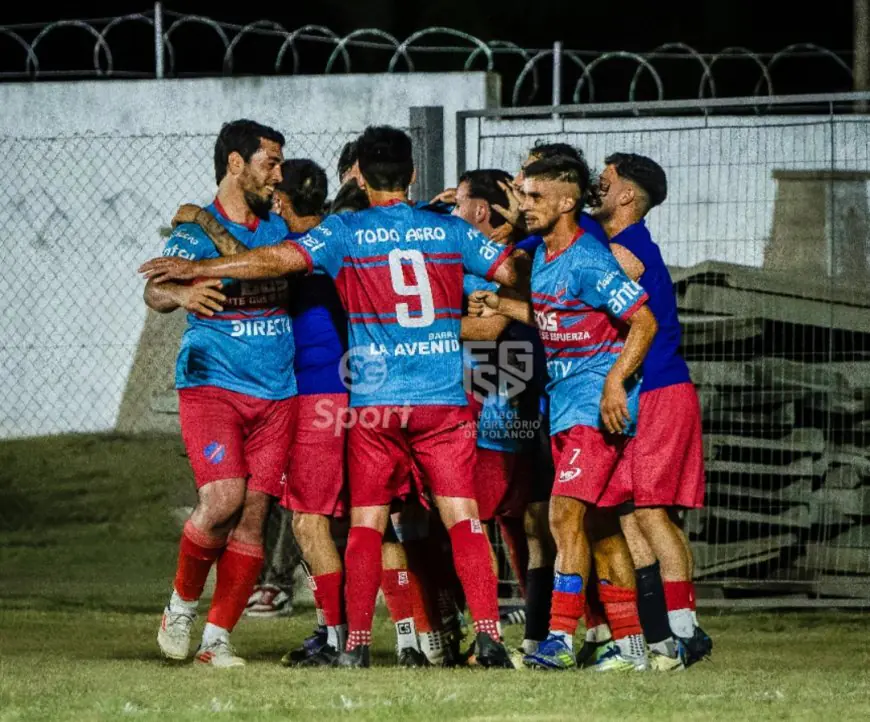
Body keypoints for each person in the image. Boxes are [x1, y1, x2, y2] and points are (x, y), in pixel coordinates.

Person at [139, 125, 525, 669]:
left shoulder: (337, 232)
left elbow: (276, 259)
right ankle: (480, 636)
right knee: (454, 520)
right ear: (413, 175)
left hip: (354, 399)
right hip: (432, 398)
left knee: (352, 523)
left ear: (361, 176)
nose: (275, 178)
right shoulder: (447, 233)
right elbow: (516, 273)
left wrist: (200, 264)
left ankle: (353, 645)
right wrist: (518, 299)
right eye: (269, 164)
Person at [467, 153, 658, 671]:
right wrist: (502, 306)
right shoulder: (548, 258)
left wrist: (616, 383)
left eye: (534, 196)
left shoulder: (589, 258)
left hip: (594, 409)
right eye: (523, 195)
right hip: (565, 405)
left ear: (567, 201)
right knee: (600, 528)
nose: (524, 206)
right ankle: (632, 650)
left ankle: (559, 638)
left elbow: (643, 322)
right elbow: (553, 316)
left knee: (561, 513)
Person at [146, 119, 294, 668]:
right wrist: (182, 294)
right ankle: (180, 606)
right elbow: (154, 289)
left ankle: (216, 641)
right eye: (270, 162)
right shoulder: (195, 233)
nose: (277, 173)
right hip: (213, 384)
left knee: (254, 516)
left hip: (278, 389)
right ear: (237, 163)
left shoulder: (278, 225)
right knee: (222, 500)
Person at [591, 152, 711, 668]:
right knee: (635, 511)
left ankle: (685, 631)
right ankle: (666, 632)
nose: (597, 185)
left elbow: (581, 282)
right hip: (648, 393)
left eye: (605, 180)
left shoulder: (628, 250)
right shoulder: (616, 244)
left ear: (626, 196)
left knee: (650, 510)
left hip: (659, 389)